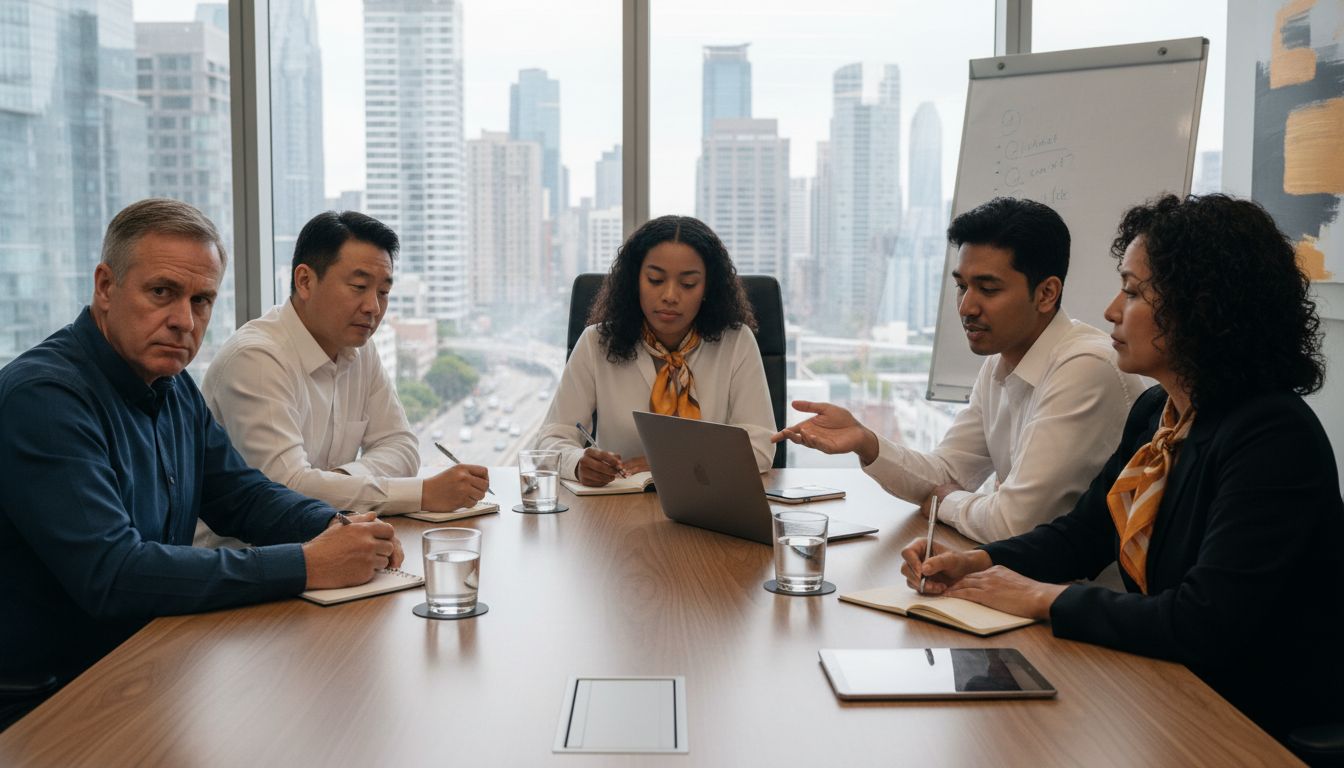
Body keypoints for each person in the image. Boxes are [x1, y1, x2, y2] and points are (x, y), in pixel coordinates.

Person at [901, 194, 1344, 742]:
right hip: (1167, 691)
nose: (1111, 309)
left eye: (1132, 291)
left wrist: (1043, 596)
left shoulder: (1272, 437)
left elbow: (1201, 621)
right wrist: (976, 561)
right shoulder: (1158, 413)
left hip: (1255, 720)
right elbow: (1083, 536)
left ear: (1200, 308)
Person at [0, 199, 402, 725]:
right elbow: (114, 573)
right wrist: (308, 563)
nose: (184, 321)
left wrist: (338, 527)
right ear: (105, 286)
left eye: (203, 299)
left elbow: (242, 495)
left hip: (149, 658)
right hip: (49, 699)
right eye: (162, 292)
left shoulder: (171, 386)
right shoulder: (45, 398)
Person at [775, 197, 1142, 542]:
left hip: (1088, 597)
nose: (966, 307)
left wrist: (945, 501)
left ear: (1046, 293)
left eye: (988, 289)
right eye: (961, 286)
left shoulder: (1085, 367)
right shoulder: (1000, 363)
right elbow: (948, 473)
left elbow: (1013, 523)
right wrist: (866, 442)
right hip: (1025, 581)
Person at [198, 211, 487, 546]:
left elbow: (403, 448)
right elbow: (288, 489)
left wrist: (338, 480)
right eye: (359, 287)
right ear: (305, 281)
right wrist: (423, 493)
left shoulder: (360, 348)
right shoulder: (258, 358)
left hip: (329, 545)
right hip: (244, 564)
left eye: (383, 292)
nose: (373, 307)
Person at [537, 215, 775, 485]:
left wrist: (671, 463)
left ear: (708, 287)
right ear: (634, 281)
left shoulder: (736, 342)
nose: (670, 296)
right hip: (616, 509)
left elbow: (760, 448)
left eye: (688, 284)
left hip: (710, 502)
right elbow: (551, 438)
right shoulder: (596, 342)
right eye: (655, 279)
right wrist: (577, 462)